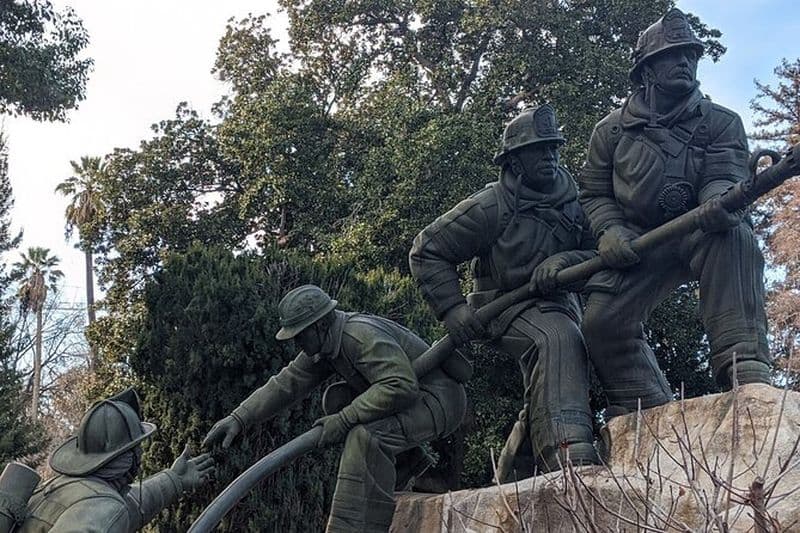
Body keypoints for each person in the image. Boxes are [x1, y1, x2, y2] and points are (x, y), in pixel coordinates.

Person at [576, 7, 770, 417]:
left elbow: (725, 174)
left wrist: (719, 200)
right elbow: (593, 193)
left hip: (701, 229)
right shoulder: (609, 132)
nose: (684, 61)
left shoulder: (722, 122)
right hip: (638, 243)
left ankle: (745, 364)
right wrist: (609, 230)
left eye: (690, 55)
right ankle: (645, 404)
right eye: (672, 55)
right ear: (647, 69)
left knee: (735, 238)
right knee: (600, 322)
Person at [409, 104, 599, 478]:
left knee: (582, 349)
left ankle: (515, 472)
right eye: (538, 150)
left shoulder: (577, 206)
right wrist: (452, 309)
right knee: (557, 340)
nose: (549, 156)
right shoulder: (491, 205)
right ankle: (567, 451)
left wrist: (565, 260)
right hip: (502, 307)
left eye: (553, 148)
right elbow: (427, 249)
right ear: (514, 161)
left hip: (560, 304)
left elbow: (598, 254)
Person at [202, 284, 466, 532]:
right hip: (411, 398)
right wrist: (239, 417)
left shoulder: (359, 336)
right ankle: (408, 462)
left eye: (300, 335)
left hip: (439, 400)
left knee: (365, 437)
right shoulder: (325, 344)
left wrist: (344, 420)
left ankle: (354, 527)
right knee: (337, 400)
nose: (297, 343)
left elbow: (401, 385)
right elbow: (287, 383)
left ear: (319, 325)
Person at [19, 389, 215, 533]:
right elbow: (109, 512)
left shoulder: (62, 488)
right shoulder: (103, 506)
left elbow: (131, 505)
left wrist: (174, 479)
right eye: (137, 448)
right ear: (131, 456)